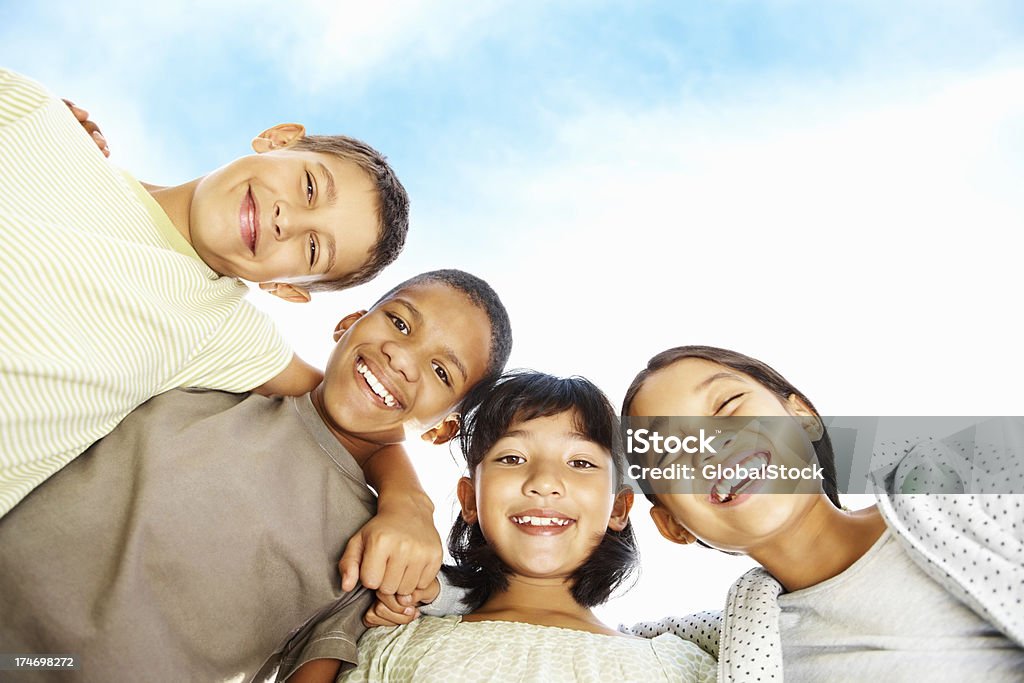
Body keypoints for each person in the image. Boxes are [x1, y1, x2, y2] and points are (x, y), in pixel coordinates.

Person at [0, 269, 511, 682]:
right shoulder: (215, 366)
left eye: (443, 372)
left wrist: (403, 504)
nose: (402, 358)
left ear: (443, 430)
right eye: (399, 324)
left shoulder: (375, 549)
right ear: (349, 322)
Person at [0, 67, 410, 517]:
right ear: (279, 138)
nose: (287, 221)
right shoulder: (38, 117)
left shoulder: (220, 325)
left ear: (284, 288)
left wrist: (410, 505)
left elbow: (366, 424)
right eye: (309, 187)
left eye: (313, 248)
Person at [620, 345, 1024, 682]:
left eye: (727, 405)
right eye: (671, 449)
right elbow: (590, 635)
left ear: (804, 416)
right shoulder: (740, 634)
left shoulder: (962, 479)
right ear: (673, 526)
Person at [338, 372, 718, 682]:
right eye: (513, 456)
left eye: (581, 463)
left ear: (618, 508)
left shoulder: (682, 667)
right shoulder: (392, 644)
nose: (543, 481)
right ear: (470, 500)